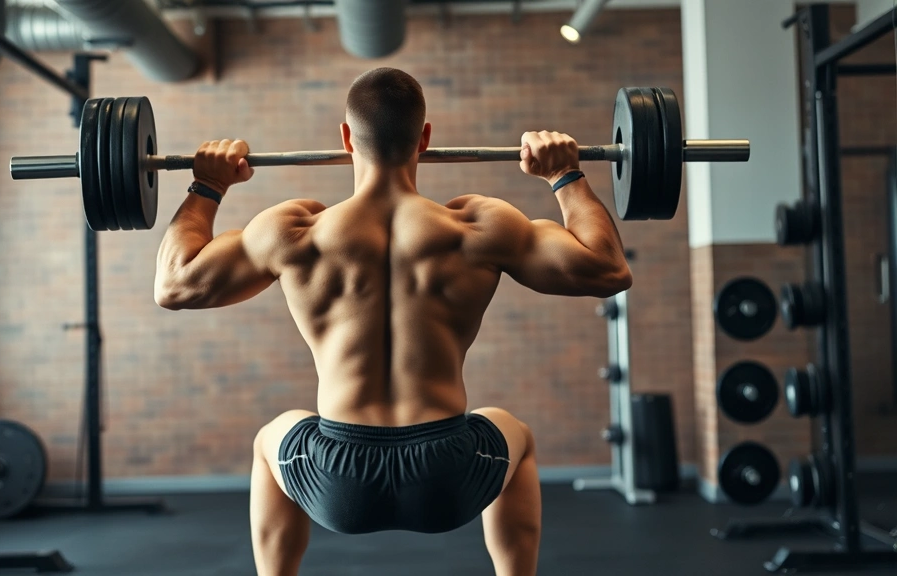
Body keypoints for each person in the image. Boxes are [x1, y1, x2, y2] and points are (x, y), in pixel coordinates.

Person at [154, 67, 633, 576]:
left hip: (337, 483)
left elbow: (174, 285)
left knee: (272, 437)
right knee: (514, 433)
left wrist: (207, 185)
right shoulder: (480, 225)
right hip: (448, 478)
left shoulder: (293, 232)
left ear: (345, 138)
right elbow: (608, 270)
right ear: (425, 138)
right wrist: (566, 177)